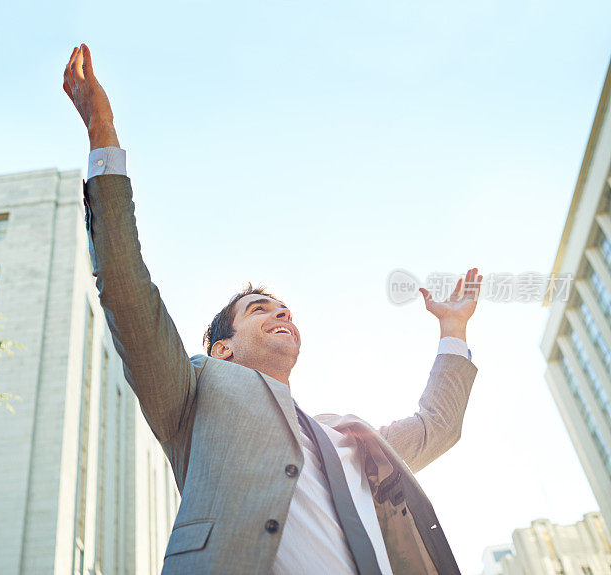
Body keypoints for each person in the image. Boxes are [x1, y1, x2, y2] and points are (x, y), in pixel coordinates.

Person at [63, 43, 482, 575]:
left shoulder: (349, 441)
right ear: (223, 349)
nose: (283, 314)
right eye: (261, 309)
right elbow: (127, 290)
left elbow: (437, 426)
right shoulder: (193, 397)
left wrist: (452, 330)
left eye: (285, 308)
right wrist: (103, 135)